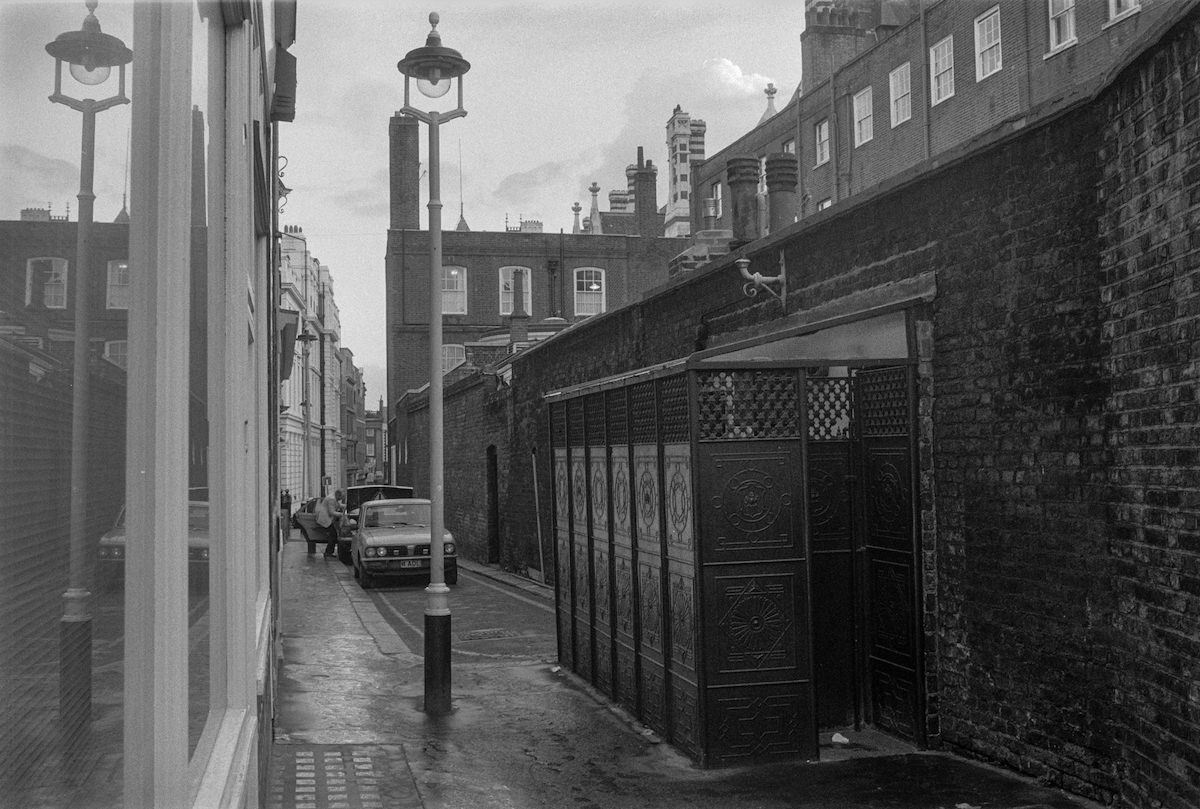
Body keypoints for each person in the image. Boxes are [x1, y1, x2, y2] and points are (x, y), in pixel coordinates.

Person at [316, 488, 344, 557]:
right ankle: (328, 552)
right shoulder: (331, 499)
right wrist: (341, 515)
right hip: (325, 519)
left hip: (327, 518)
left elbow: (338, 505)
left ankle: (329, 552)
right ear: (338, 495)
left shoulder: (333, 497)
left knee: (333, 535)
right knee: (333, 535)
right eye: (341, 497)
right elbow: (331, 512)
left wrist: (344, 506)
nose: (341, 499)